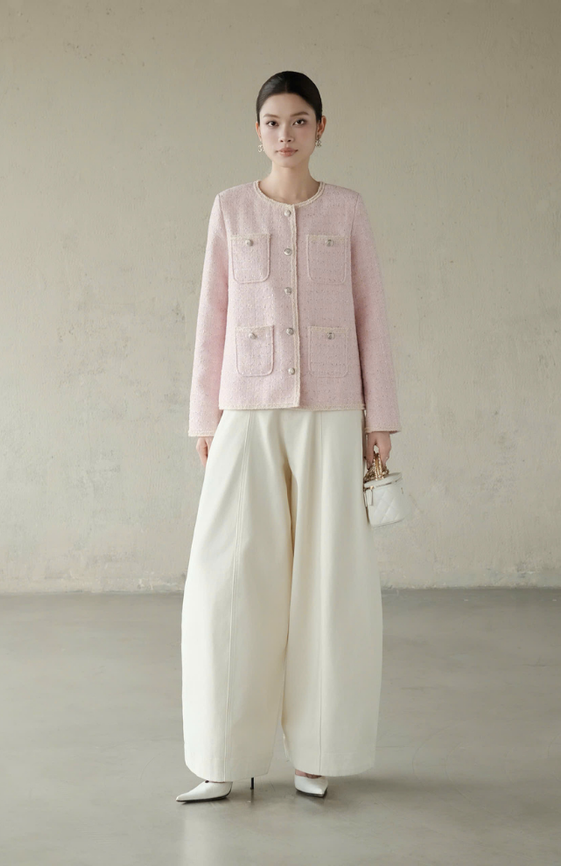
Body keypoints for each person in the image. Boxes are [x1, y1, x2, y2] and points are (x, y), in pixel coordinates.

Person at [177, 71, 402, 803]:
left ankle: (318, 751)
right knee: (229, 578)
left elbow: (370, 312)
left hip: (333, 410)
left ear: (320, 128)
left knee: (329, 580)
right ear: (257, 132)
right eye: (272, 122)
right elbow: (212, 314)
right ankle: (221, 757)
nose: (285, 134)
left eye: (299, 121)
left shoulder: (348, 209)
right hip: (245, 408)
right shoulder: (229, 208)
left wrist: (379, 417)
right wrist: (205, 416)